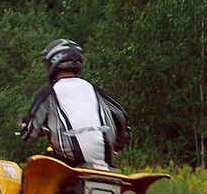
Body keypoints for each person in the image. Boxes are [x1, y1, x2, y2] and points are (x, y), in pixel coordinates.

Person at [19, 39, 130, 168]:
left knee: (31, 171)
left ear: (53, 61)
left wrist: (24, 131)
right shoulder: (95, 90)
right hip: (106, 164)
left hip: (68, 164)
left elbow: (29, 132)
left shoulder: (48, 93)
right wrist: (121, 141)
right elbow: (122, 117)